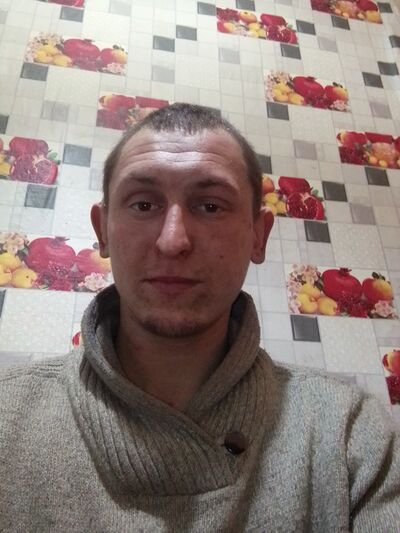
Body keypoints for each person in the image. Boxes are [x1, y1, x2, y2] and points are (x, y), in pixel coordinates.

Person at [0, 103, 399, 532]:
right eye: (143, 204)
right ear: (103, 231)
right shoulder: (8, 416)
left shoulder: (350, 436)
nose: (173, 241)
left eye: (210, 206)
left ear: (258, 236)